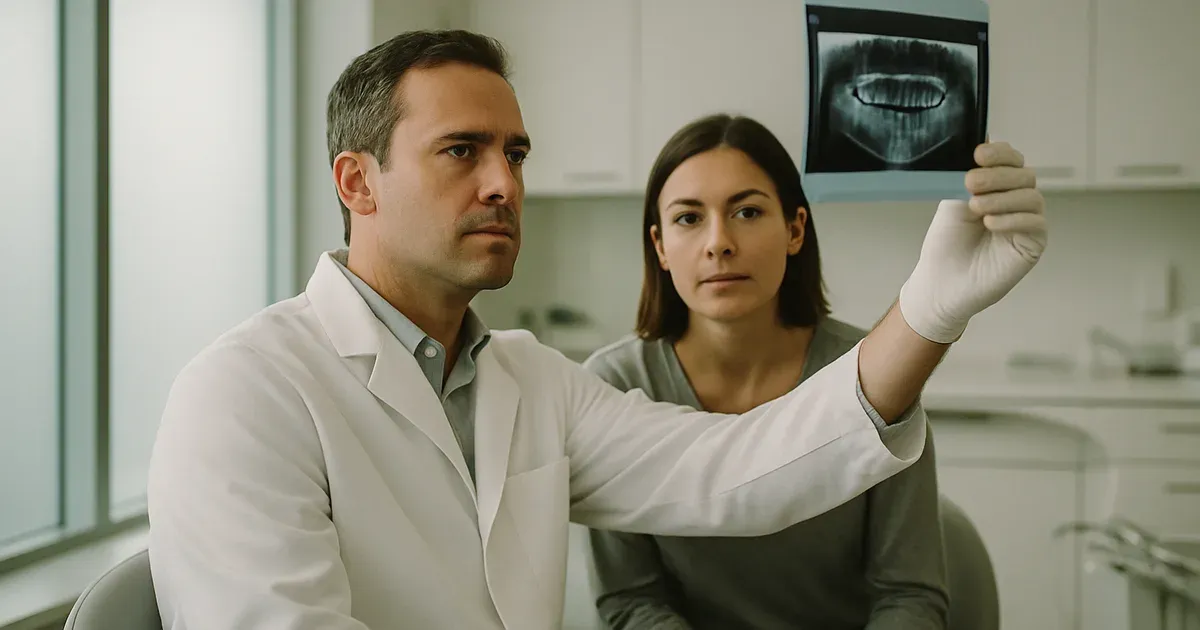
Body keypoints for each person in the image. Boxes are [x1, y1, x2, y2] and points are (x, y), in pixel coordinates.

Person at [144, 29, 1047, 630]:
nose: (504, 182)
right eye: (463, 151)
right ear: (357, 183)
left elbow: (742, 470)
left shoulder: (530, 381)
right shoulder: (246, 391)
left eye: (517, 154)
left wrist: (930, 308)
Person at [583, 113, 954, 630]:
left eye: (748, 211)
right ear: (660, 246)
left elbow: (909, 595)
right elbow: (629, 600)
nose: (719, 242)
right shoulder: (615, 385)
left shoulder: (873, 372)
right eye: (689, 218)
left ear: (795, 229)